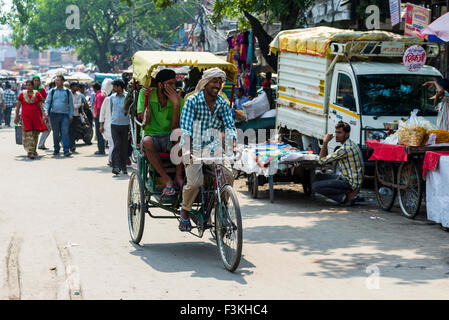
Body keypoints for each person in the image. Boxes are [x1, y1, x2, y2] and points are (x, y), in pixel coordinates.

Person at [178, 67, 237, 232]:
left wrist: (232, 143)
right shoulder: (192, 101)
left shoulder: (222, 103)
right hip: (194, 148)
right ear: (205, 83)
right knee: (195, 182)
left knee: (229, 176)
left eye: (219, 82)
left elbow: (230, 126)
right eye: (214, 81)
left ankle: (222, 209)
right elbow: (186, 128)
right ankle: (184, 212)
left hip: (215, 149)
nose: (217, 85)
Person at [138, 69, 185, 198]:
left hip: (169, 137)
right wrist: (147, 99)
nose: (173, 87)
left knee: (180, 134)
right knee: (147, 141)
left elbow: (175, 128)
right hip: (152, 137)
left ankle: (178, 176)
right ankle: (166, 179)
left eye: (175, 84)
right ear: (160, 85)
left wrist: (176, 104)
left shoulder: (178, 100)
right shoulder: (145, 93)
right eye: (170, 83)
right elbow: (145, 121)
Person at [312, 121, 364, 206]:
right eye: (336, 132)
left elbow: (321, 161)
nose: (336, 135)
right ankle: (347, 194)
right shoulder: (351, 144)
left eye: (339, 133)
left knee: (315, 186)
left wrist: (325, 142)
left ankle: (345, 197)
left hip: (351, 183)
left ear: (347, 134)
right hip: (348, 178)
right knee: (317, 176)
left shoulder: (344, 149)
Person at [14, 80, 47, 159]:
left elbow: (41, 105)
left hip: (36, 116)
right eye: (27, 85)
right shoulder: (22, 94)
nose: (28, 87)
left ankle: (33, 150)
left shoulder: (37, 94)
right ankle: (30, 151)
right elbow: (18, 106)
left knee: (35, 133)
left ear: (33, 86)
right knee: (28, 133)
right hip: (26, 117)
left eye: (30, 85)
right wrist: (16, 117)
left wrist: (43, 115)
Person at [43, 75, 74, 157]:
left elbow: (71, 105)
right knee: (55, 133)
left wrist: (71, 116)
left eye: (59, 80)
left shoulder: (68, 92)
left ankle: (66, 150)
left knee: (65, 132)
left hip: (65, 115)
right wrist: (46, 112)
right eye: (56, 80)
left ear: (63, 81)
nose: (57, 82)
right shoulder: (52, 91)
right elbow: (47, 102)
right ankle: (56, 148)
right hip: (54, 115)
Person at [108, 79, 129, 175]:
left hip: (125, 125)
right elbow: (112, 110)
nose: (113, 88)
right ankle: (116, 167)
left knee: (124, 146)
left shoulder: (128, 96)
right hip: (114, 125)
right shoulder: (112, 97)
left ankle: (123, 166)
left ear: (120, 87)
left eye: (115, 86)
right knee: (117, 145)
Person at [99, 78, 114, 166]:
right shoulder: (107, 99)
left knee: (112, 144)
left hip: (116, 125)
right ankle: (111, 159)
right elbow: (102, 113)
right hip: (108, 125)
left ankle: (111, 159)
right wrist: (101, 124)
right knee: (111, 143)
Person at [38, 81, 55, 150]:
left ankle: (41, 144)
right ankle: (63, 144)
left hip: (48, 113)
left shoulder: (48, 92)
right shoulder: (52, 92)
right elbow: (46, 103)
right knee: (55, 129)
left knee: (47, 129)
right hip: (50, 114)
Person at [68, 82, 83, 152]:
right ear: (72, 87)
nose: (77, 88)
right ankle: (70, 145)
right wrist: (74, 106)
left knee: (73, 131)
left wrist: (72, 106)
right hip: (68, 115)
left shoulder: (79, 95)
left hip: (76, 115)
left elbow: (79, 104)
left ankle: (72, 145)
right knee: (68, 131)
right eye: (76, 86)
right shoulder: (68, 94)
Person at [93, 81, 106, 155]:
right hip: (101, 116)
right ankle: (101, 149)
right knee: (100, 133)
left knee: (99, 133)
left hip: (99, 117)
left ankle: (101, 149)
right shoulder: (102, 94)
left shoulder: (99, 95)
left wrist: (98, 116)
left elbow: (99, 108)